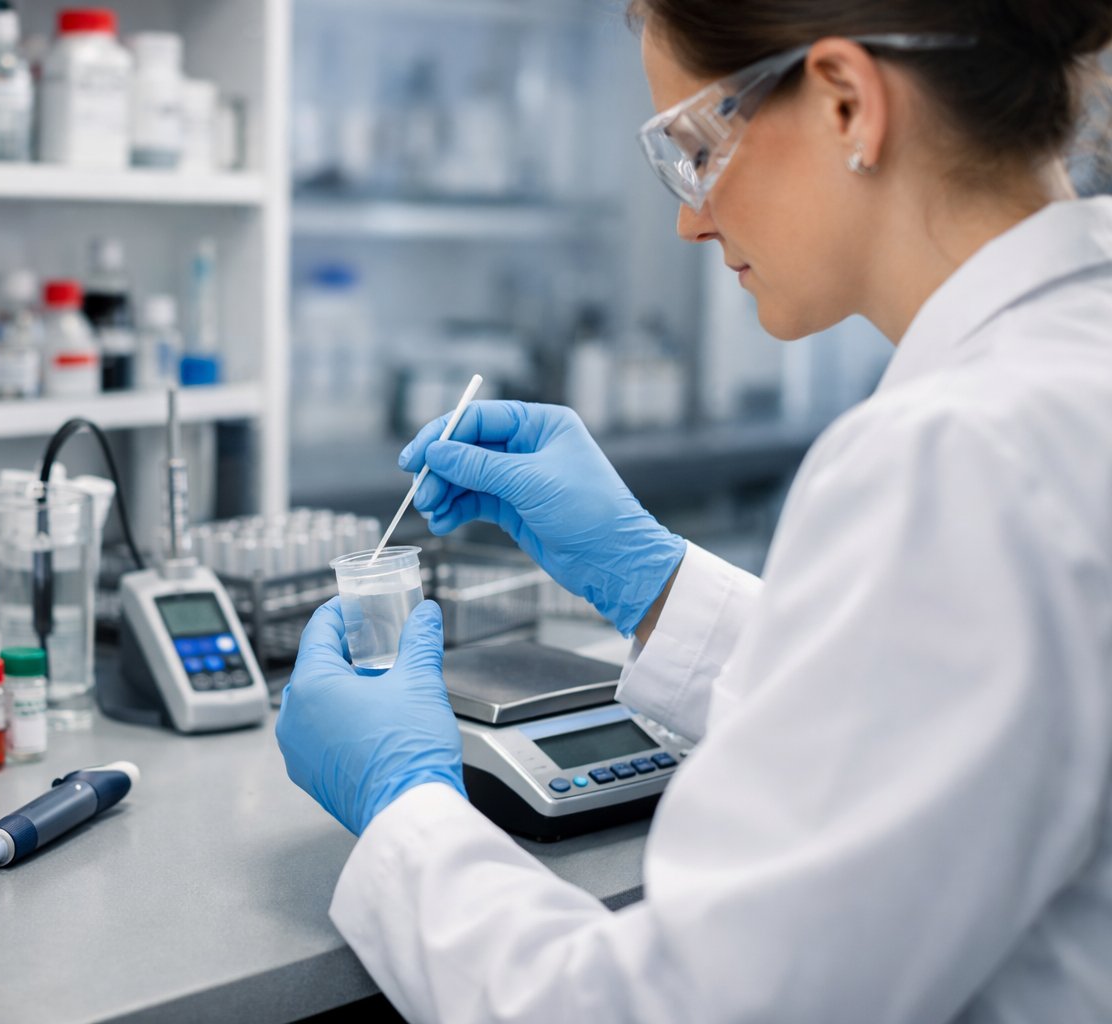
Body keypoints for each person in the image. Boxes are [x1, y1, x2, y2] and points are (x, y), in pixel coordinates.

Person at [275, 1, 1112, 1021]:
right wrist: (657, 583)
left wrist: (403, 806)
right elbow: (938, 718)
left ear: (849, 102)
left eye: (697, 146)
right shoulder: (1066, 370)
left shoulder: (962, 455)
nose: (690, 217)